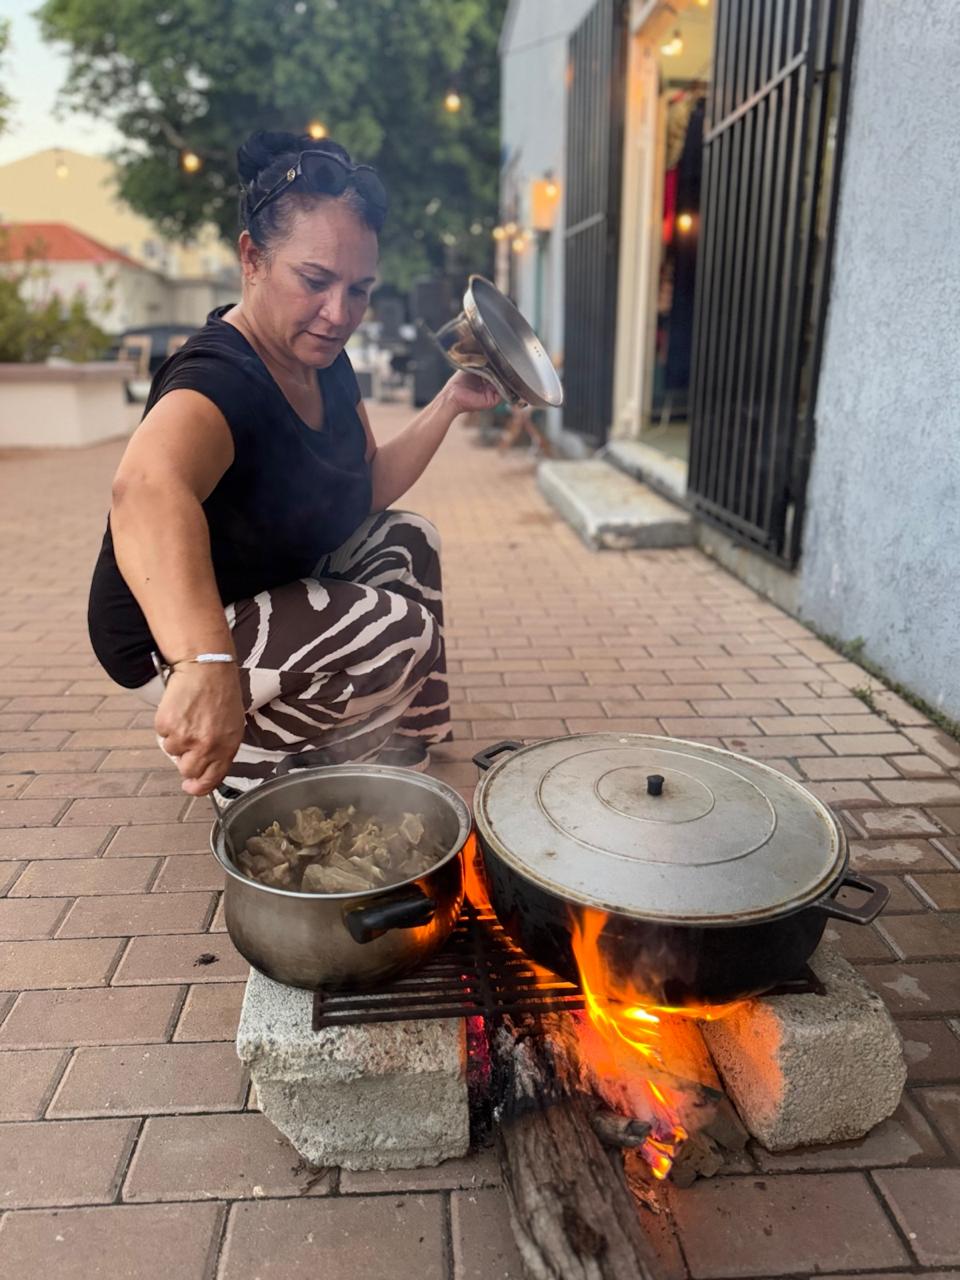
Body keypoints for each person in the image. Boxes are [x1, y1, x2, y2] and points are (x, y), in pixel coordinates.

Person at [87, 130, 499, 801]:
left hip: (260, 601)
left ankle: (406, 738)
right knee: (395, 634)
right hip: (170, 641)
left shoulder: (325, 363)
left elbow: (365, 489)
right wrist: (203, 660)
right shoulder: (221, 377)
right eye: (315, 280)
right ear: (252, 259)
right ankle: (247, 779)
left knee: (409, 537)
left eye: (359, 289)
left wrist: (450, 402)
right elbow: (145, 488)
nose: (339, 314)